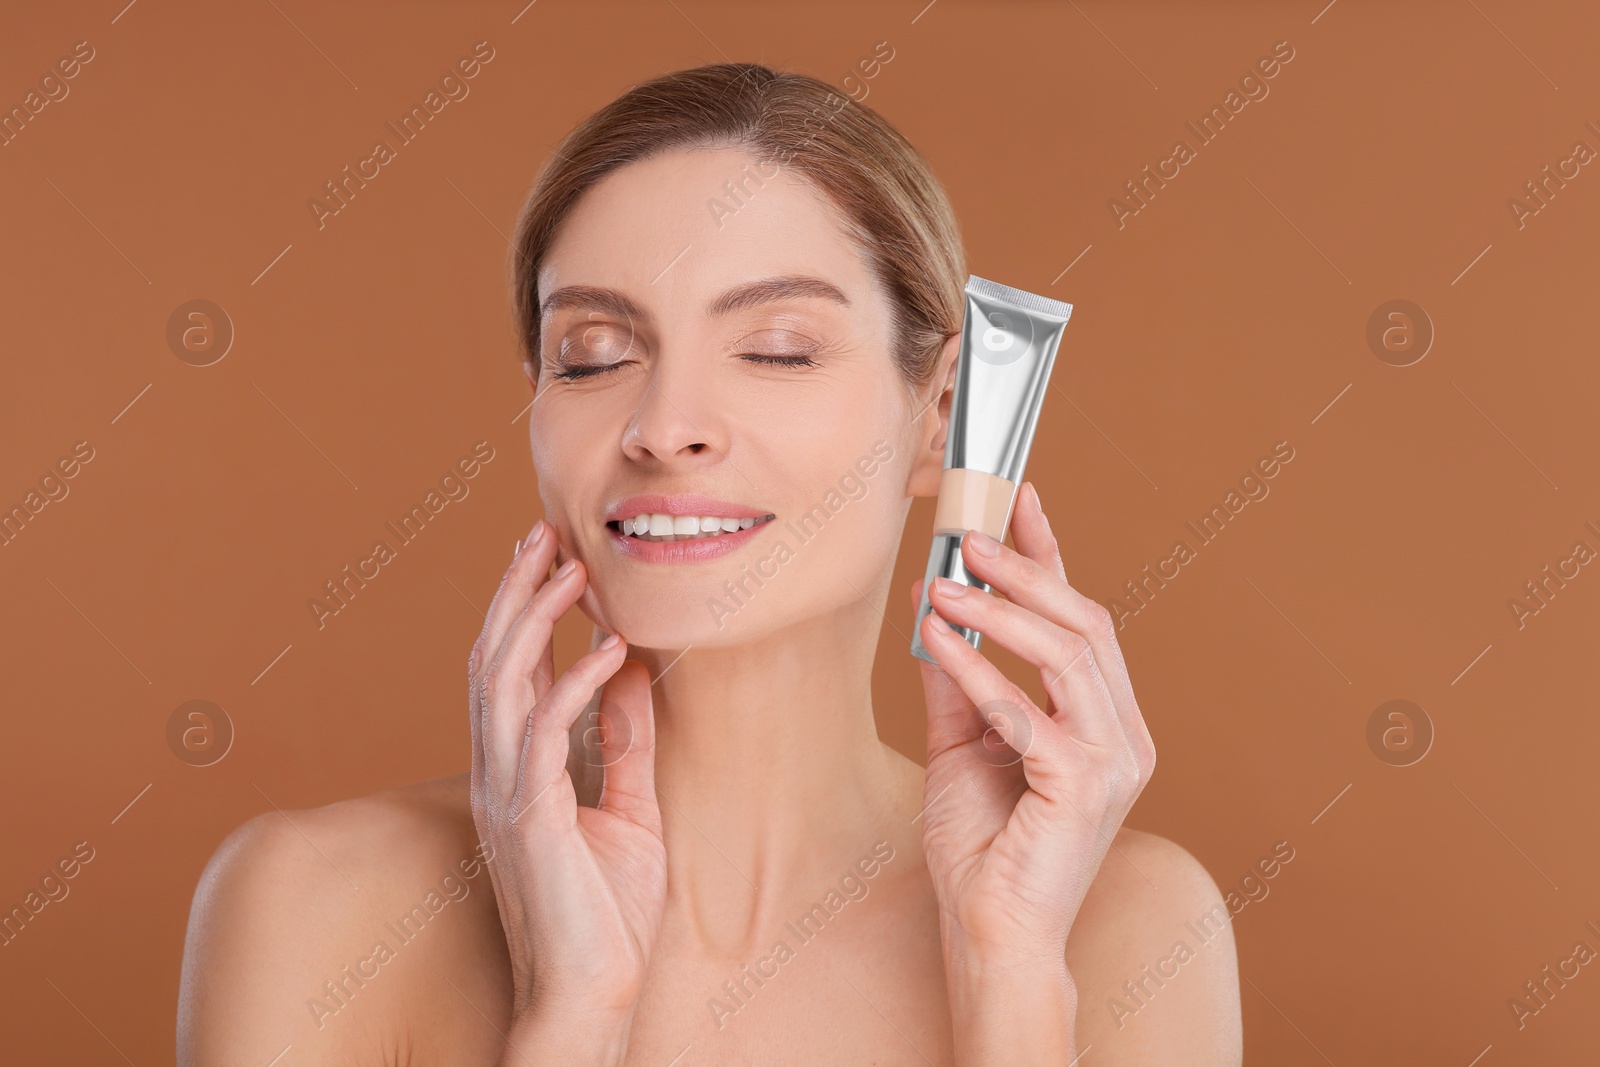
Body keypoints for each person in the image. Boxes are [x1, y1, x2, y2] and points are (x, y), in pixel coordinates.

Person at [178, 62, 1242, 1065]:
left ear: (943, 416)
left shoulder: (1131, 925)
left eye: (776, 348)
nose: (664, 424)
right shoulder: (314, 902)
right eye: (592, 354)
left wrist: (1010, 975)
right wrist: (570, 1014)